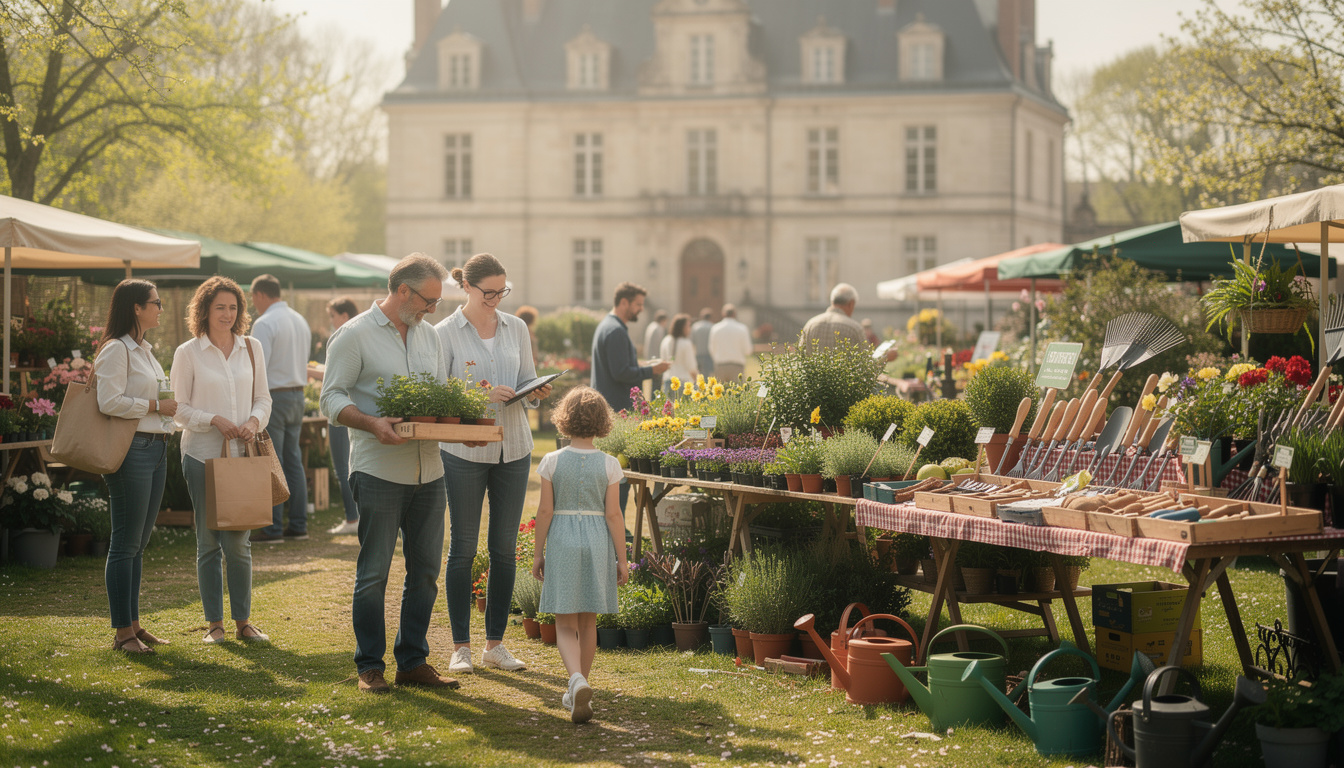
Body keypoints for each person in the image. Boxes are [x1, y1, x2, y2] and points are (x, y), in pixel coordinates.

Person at [320, 253, 459, 694]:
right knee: (375, 572)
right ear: (402, 291)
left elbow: (436, 396)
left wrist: (462, 426)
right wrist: (373, 423)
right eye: (428, 300)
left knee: (424, 574)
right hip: (378, 470)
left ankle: (412, 661)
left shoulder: (429, 336)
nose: (432, 309)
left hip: (429, 470)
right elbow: (331, 399)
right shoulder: (353, 335)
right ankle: (370, 665)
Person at [436, 253, 553, 676]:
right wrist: (484, 396)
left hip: (515, 447)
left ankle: (495, 645)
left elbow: (526, 377)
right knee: (463, 548)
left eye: (503, 291)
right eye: (489, 292)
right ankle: (461, 647)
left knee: (504, 550)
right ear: (466, 287)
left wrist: (532, 392)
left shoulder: (516, 327)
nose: (496, 299)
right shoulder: (444, 333)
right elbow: (439, 396)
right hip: (464, 450)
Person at [171, 276, 273, 644]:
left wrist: (252, 421)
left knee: (239, 544)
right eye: (220, 307)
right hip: (200, 456)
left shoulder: (252, 348)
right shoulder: (188, 352)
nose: (227, 314)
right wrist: (212, 419)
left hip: (242, 459)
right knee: (209, 541)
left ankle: (244, 622)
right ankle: (215, 624)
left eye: (233, 307)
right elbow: (178, 409)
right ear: (204, 310)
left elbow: (264, 398)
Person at [531, 386, 630, 724]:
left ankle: (576, 682)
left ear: (564, 419)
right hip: (597, 542)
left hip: (562, 541)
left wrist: (537, 553)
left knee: (564, 622)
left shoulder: (551, 462)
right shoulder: (610, 464)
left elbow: (545, 511)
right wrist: (622, 557)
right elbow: (614, 516)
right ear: (602, 422)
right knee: (589, 621)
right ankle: (579, 687)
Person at [96, 279, 176, 654]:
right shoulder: (116, 349)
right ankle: (122, 632)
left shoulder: (144, 349)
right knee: (125, 543)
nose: (161, 307)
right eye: (155, 302)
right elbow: (108, 400)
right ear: (136, 308)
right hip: (132, 451)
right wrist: (156, 407)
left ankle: (134, 624)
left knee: (138, 544)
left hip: (156, 449)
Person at [591, 282, 670, 517]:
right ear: (623, 302)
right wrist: (651, 371)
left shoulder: (610, 326)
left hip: (610, 407)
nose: (640, 310)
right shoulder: (614, 330)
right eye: (637, 305)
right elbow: (621, 372)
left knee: (614, 474)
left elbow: (622, 368)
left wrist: (646, 367)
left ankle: (618, 527)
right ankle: (619, 529)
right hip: (616, 410)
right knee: (620, 474)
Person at [248, 274, 312, 543]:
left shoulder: (264, 323)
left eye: (253, 299)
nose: (254, 305)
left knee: (270, 462)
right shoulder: (300, 320)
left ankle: (273, 528)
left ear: (261, 295)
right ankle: (298, 525)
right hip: (298, 396)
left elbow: (256, 368)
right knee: (293, 461)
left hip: (273, 398)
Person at [321, 297, 361, 536]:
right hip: (358, 409)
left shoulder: (341, 337)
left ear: (344, 316)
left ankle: (352, 518)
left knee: (343, 467)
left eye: (333, 316)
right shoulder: (367, 335)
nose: (331, 321)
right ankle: (356, 517)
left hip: (341, 411)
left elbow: (333, 378)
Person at [798, 283, 868, 353]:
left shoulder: (810, 325)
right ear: (851, 304)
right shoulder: (854, 328)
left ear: (832, 301)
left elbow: (800, 356)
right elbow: (866, 359)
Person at [708, 303, 753, 382]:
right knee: (738, 392)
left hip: (720, 365)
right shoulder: (742, 328)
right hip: (737, 365)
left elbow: (712, 349)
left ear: (723, 314)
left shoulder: (715, 328)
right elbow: (748, 350)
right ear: (735, 314)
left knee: (720, 392)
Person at [658, 314, 697, 398]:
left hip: (668, 382)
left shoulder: (665, 340)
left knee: (669, 409)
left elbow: (663, 361)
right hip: (683, 383)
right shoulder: (686, 343)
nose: (690, 329)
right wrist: (698, 382)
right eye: (688, 326)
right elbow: (691, 367)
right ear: (682, 327)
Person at [641, 310, 668, 393]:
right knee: (656, 387)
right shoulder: (659, 329)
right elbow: (660, 346)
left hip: (649, 358)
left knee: (652, 385)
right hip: (656, 360)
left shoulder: (651, 326)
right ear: (663, 320)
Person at [690, 308, 714, 377]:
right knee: (708, 377)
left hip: (698, 355)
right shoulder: (712, 327)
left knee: (699, 376)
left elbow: (692, 342)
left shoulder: (695, 327)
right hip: (709, 356)